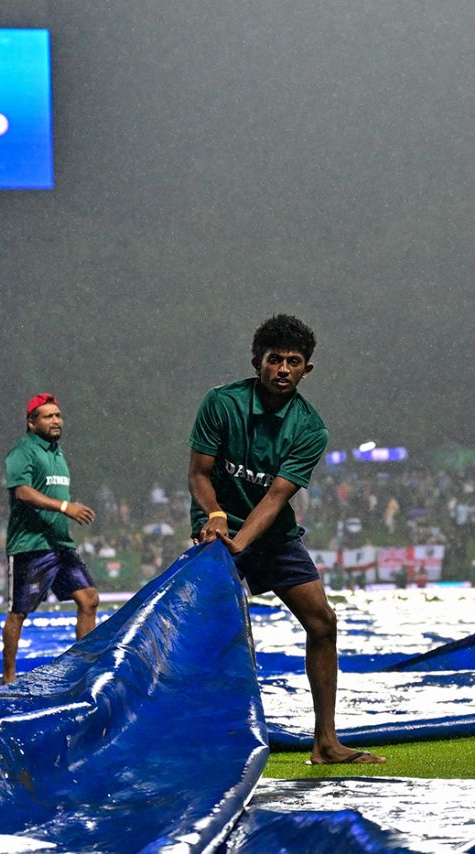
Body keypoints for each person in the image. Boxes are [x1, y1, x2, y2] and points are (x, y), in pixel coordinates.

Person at [188, 314, 384, 765]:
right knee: (217, 638)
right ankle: (208, 745)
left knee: (323, 623)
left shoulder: (310, 429)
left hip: (272, 537)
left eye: (293, 362)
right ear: (257, 361)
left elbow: (277, 497)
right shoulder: (221, 403)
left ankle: (326, 743)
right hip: (215, 535)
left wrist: (244, 542)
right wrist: (218, 518)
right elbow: (199, 474)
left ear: (306, 370)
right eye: (274, 360)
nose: (282, 369)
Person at [2, 392, 99, 685]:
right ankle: (7, 678)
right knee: (19, 613)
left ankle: (82, 669)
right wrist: (64, 507)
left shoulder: (57, 454)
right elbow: (21, 491)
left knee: (89, 599)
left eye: (58, 415)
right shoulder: (23, 450)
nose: (56, 420)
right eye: (48, 416)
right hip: (31, 546)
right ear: (31, 423)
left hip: (60, 545)